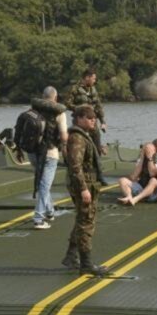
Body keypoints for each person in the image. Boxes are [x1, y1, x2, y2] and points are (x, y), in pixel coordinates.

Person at [61, 105, 107, 275]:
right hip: (84, 185)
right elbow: (75, 166)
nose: (93, 120)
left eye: (94, 118)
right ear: (79, 118)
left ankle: (71, 255)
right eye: (89, 118)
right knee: (86, 222)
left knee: (82, 219)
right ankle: (86, 263)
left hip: (88, 183)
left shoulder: (84, 136)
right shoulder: (78, 139)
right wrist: (83, 189)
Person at [23, 87, 68, 230]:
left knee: (43, 182)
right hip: (50, 153)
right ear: (55, 98)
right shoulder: (59, 113)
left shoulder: (33, 110)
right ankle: (38, 218)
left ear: (42, 97)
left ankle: (49, 211)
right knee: (45, 184)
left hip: (33, 152)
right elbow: (63, 136)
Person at [67, 69, 109, 185]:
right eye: (93, 78)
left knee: (97, 147)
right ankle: (77, 173)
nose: (95, 81)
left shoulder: (93, 89)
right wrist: (80, 107)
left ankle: (99, 175)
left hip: (92, 122)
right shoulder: (75, 89)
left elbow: (98, 105)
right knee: (78, 146)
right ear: (87, 77)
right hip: (80, 121)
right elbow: (68, 104)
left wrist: (102, 121)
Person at [117, 140, 157, 206]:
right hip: (143, 188)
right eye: (145, 150)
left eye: (148, 150)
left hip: (156, 192)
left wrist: (150, 159)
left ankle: (135, 199)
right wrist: (142, 158)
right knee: (122, 180)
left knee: (153, 180)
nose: (147, 152)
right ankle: (129, 197)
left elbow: (152, 173)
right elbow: (134, 176)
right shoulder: (142, 160)